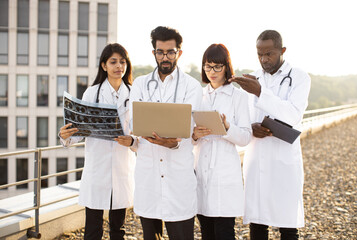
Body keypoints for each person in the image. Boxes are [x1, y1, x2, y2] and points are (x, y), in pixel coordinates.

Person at [229, 30, 311, 239]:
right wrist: (252, 126)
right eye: (260, 54)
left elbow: (293, 115)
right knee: (257, 222)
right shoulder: (253, 77)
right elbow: (245, 116)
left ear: (282, 51)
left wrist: (260, 92)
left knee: (287, 224)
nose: (264, 59)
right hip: (257, 157)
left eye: (269, 54)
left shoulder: (300, 78)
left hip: (284, 160)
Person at [129, 26, 203, 240]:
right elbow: (135, 120)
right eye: (160, 52)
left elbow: (188, 128)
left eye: (170, 52)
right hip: (149, 176)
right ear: (154, 53)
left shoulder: (191, 86)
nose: (165, 57)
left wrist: (174, 142)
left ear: (179, 52)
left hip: (178, 176)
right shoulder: (141, 85)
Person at [59, 43, 136, 240]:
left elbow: (140, 134)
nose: (119, 66)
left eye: (122, 61)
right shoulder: (91, 93)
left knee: (118, 230)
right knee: (92, 229)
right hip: (97, 168)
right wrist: (66, 136)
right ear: (104, 66)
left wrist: (133, 141)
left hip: (121, 168)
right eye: (113, 62)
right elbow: (82, 130)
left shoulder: (135, 94)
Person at [192, 43, 252, 239]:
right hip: (200, 171)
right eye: (208, 66)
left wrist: (227, 127)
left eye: (217, 66)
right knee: (206, 232)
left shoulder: (239, 96)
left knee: (225, 233)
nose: (212, 71)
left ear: (227, 66)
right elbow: (186, 136)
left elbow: (245, 137)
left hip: (225, 175)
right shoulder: (197, 95)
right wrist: (194, 135)